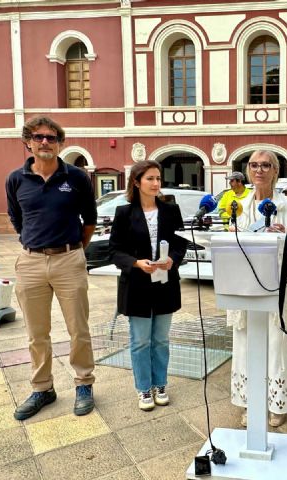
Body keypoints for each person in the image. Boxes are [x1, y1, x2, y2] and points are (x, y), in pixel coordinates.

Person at [6, 116, 97, 420]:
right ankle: (43, 388)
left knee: (78, 329)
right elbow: (17, 218)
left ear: (60, 143)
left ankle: (84, 383)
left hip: (69, 258)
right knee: (36, 332)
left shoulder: (77, 178)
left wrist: (74, 252)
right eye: (38, 137)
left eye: (52, 137)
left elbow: (90, 220)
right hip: (30, 262)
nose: (45, 142)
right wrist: (33, 244)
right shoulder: (16, 179)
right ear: (27, 142)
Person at [227, 150, 287, 428]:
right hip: (246, 283)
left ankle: (276, 402)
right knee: (245, 342)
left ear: (275, 171)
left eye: (265, 165)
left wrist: (282, 234)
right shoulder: (240, 205)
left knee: (276, 342)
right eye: (254, 165)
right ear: (248, 171)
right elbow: (232, 240)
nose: (259, 170)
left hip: (277, 281)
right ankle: (249, 401)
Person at [109, 160, 188, 411]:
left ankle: (160, 384)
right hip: (136, 285)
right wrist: (135, 262)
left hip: (165, 283)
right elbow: (115, 251)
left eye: (158, 179)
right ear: (136, 182)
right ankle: (144, 388)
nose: (156, 183)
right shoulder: (124, 213)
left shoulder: (170, 210)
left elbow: (180, 243)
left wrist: (173, 260)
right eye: (150, 179)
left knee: (161, 340)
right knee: (141, 340)